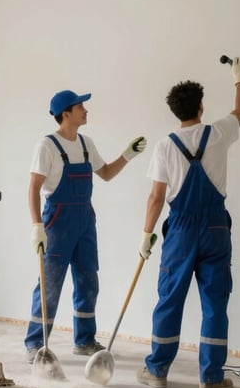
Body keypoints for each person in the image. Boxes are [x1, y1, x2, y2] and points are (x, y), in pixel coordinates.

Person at [136, 57, 240, 388]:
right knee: (215, 302)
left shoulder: (164, 146)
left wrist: (146, 235)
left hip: (181, 231)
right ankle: (211, 378)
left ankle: (157, 370)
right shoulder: (217, 133)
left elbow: (157, 198)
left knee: (170, 299)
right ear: (201, 108)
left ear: (176, 112)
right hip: (215, 227)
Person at [25, 89, 148, 363]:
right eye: (80, 107)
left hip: (84, 223)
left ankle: (84, 340)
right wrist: (37, 226)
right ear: (65, 113)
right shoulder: (46, 146)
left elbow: (105, 174)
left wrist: (127, 155)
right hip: (57, 224)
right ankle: (34, 343)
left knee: (88, 281)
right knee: (50, 285)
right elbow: (33, 187)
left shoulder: (85, 143)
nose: (86, 110)